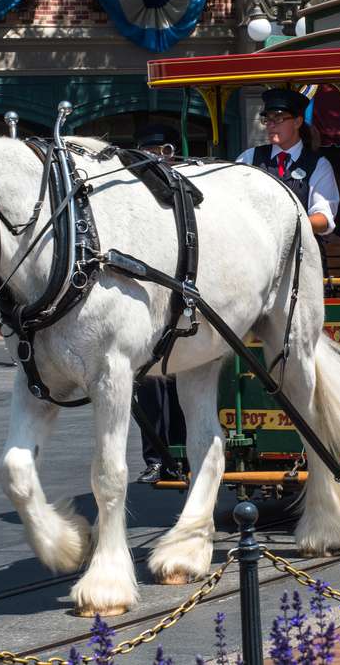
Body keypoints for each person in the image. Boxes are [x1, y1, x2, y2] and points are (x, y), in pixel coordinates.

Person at [132, 123, 187, 483]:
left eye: (160, 155)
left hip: (179, 297)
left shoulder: (182, 194)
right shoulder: (132, 199)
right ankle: (155, 457)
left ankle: (181, 453)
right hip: (147, 301)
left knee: (180, 381)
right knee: (148, 384)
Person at [235, 88, 339, 236]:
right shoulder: (248, 158)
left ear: (297, 122)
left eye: (278, 118)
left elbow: (324, 218)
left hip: (302, 254)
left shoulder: (319, 165)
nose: (271, 125)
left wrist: (287, 224)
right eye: (267, 119)